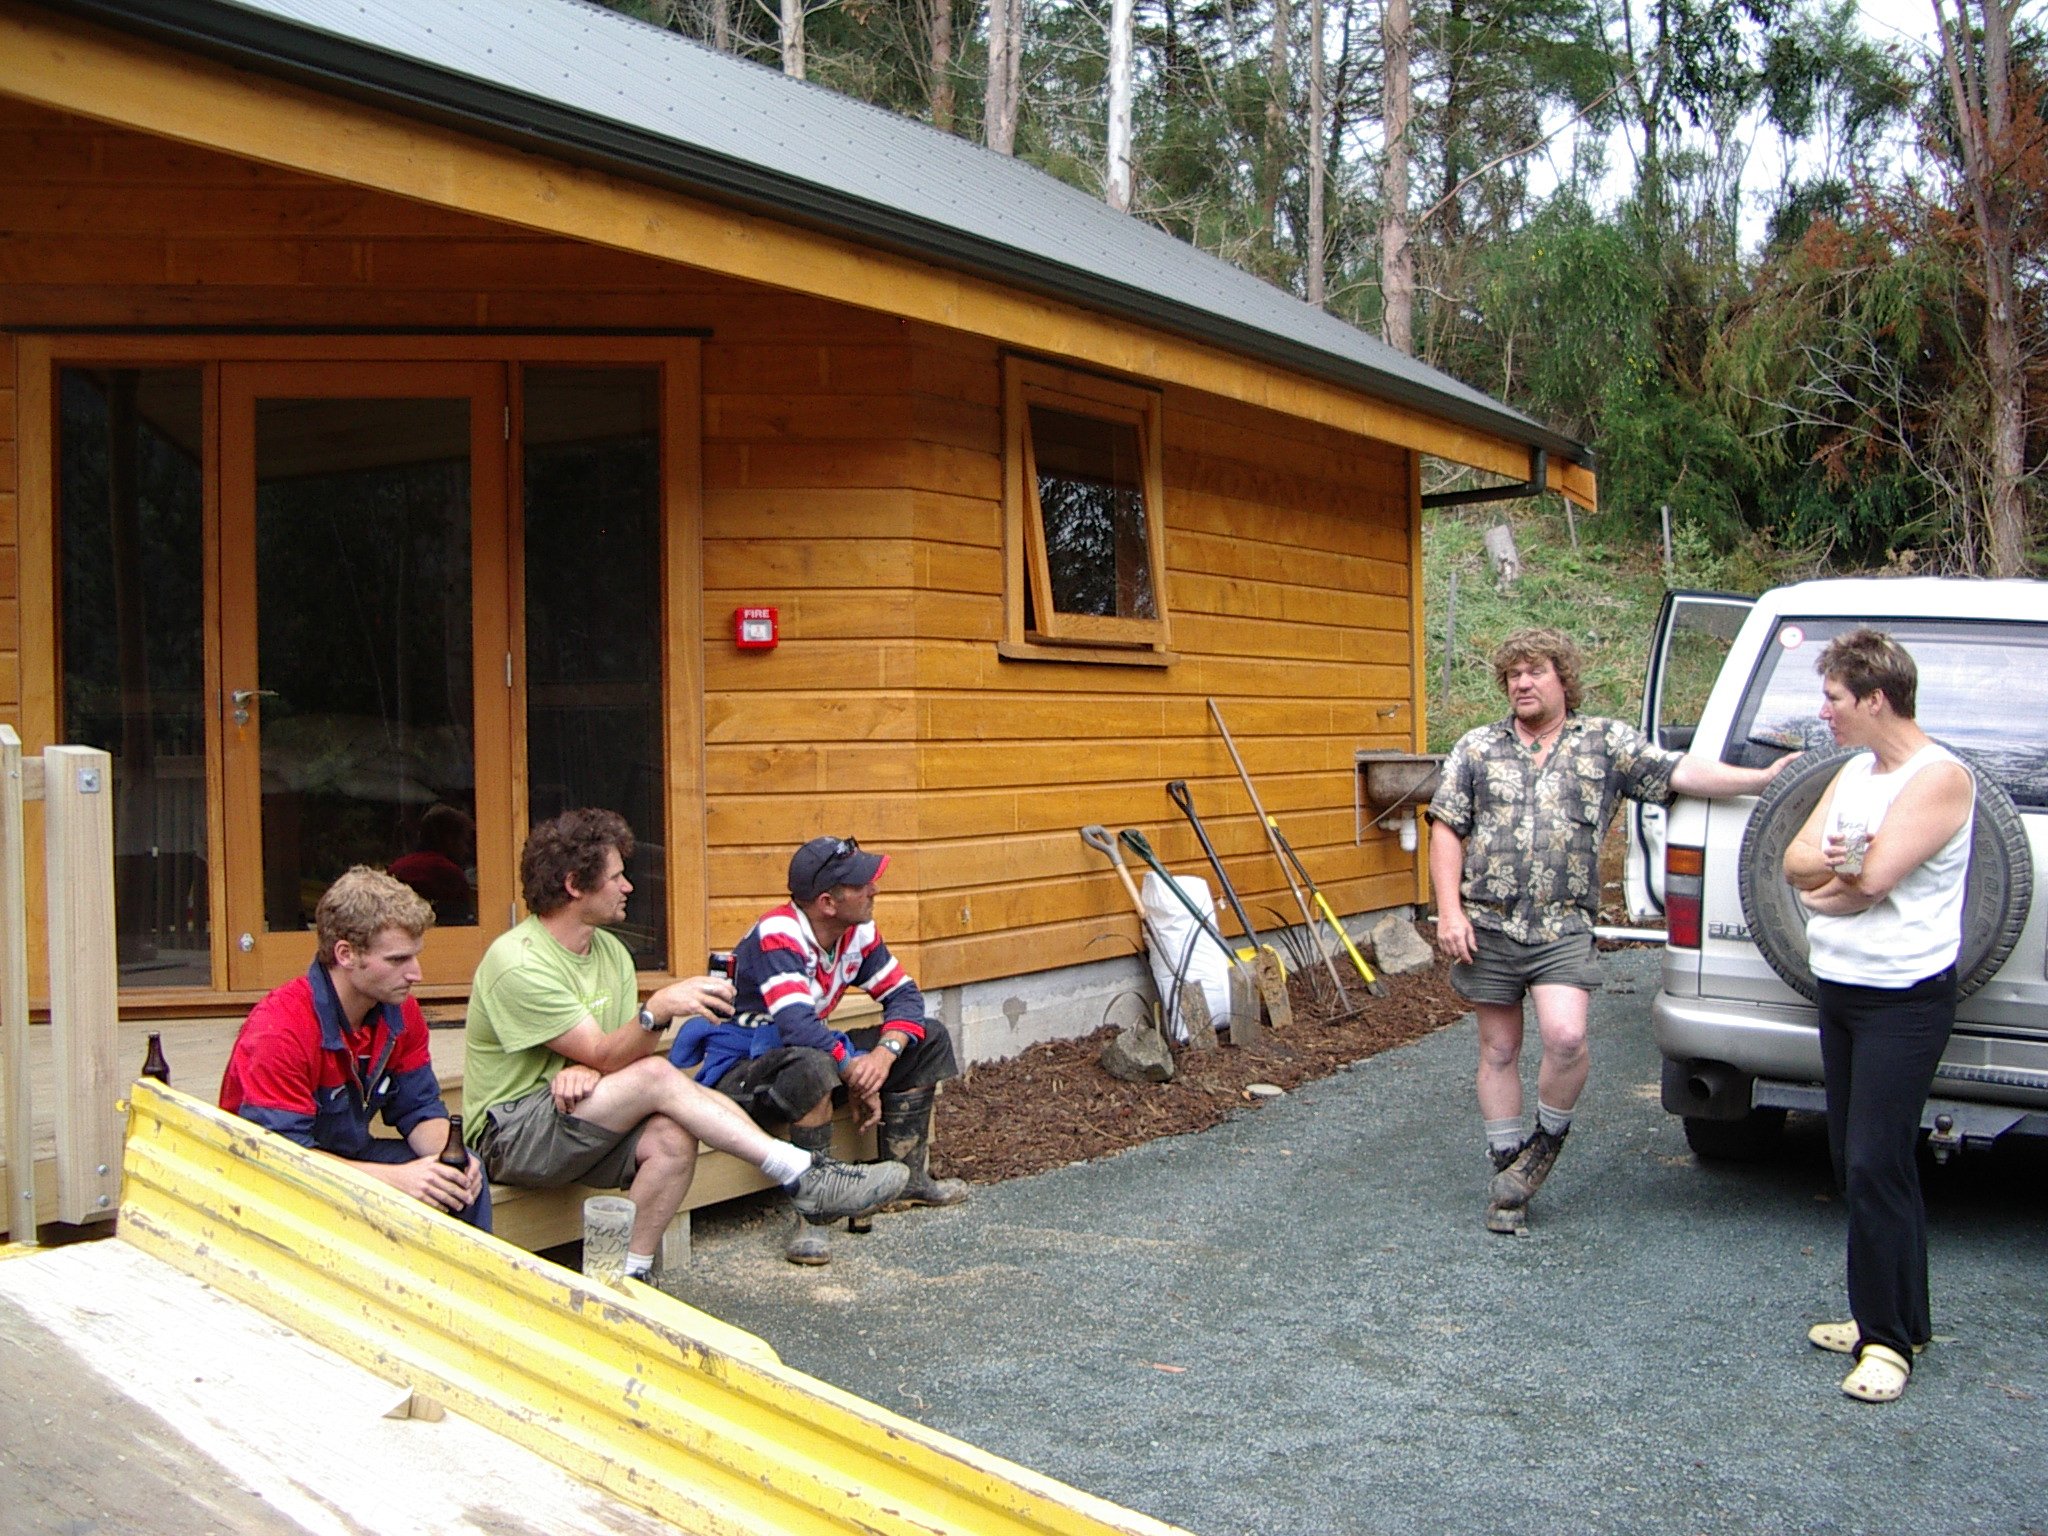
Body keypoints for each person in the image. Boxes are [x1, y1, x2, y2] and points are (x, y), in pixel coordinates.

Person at [1428, 627, 1793, 1234]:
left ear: (1562, 679)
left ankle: (1544, 1146)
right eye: (1513, 675)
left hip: (1564, 925)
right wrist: (1450, 911)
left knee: (1566, 1037)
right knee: (1498, 1049)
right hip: (1486, 923)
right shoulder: (1477, 747)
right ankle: (1508, 1170)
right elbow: (1446, 828)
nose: (1522, 683)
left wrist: (1760, 779)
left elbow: (1680, 773)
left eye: (1535, 672)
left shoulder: (1605, 741)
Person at [463, 809, 907, 1281]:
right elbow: (609, 1054)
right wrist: (656, 1011)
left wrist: (593, 1067)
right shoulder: (519, 961)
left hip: (582, 1111)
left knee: (674, 1138)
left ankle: (624, 1278)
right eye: (616, 877)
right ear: (574, 885)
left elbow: (613, 1056)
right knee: (657, 1075)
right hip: (509, 1133)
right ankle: (802, 1173)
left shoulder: (611, 953)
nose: (629, 886)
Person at [1782, 630, 1973, 1404]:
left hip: (1905, 999)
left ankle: (1887, 1345)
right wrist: (1836, 874)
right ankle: (1897, 1319)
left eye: (1834, 698)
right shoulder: (1856, 772)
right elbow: (1795, 860)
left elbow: (1871, 882)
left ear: (1875, 699)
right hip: (1842, 988)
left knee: (1874, 1163)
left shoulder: (1940, 778)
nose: (1824, 712)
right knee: (1855, 1159)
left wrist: (1833, 886)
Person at [677, 835, 966, 1266]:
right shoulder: (779, 932)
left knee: (928, 1037)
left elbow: (904, 995)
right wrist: (852, 1067)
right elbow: (797, 1026)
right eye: (861, 884)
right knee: (813, 1063)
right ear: (828, 903)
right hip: (742, 1071)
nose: (874, 889)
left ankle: (908, 1180)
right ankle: (813, 1212)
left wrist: (882, 1056)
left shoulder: (857, 932)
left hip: (802, 1053)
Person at [220, 866, 489, 1229]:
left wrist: (452, 1158)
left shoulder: (401, 1011)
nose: (416, 973)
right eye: (397, 960)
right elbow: (281, 1158)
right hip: (263, 1182)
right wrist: (396, 1180)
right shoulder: (279, 1029)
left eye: (415, 955)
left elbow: (419, 1108)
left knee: (461, 1179)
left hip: (344, 1156)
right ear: (345, 954)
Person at [389, 802, 477, 926]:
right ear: (450, 840)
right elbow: (462, 922)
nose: (467, 850)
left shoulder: (397, 867)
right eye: (465, 841)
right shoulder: (449, 873)